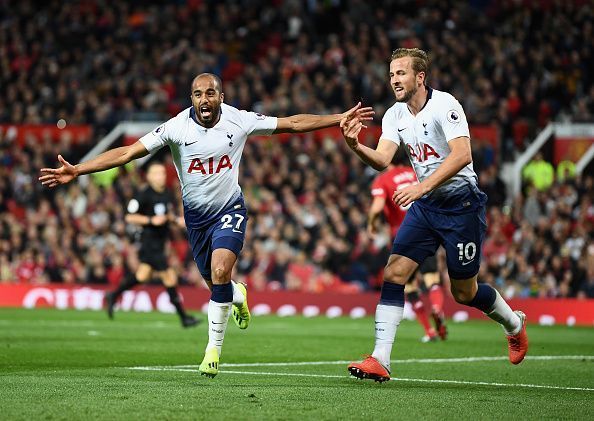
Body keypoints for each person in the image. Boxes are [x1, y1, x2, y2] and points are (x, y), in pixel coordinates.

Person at [40, 72, 373, 378]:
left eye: (210, 93)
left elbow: (293, 123)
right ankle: (237, 294)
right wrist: (78, 170)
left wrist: (337, 118)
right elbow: (128, 153)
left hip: (230, 208)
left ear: (221, 97)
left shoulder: (239, 120)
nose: (204, 99)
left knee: (218, 272)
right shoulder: (175, 127)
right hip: (196, 220)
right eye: (197, 94)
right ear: (192, 99)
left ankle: (212, 350)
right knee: (219, 284)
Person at [340, 48, 528, 382]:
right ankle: (380, 359)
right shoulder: (395, 115)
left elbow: (462, 155)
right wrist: (356, 146)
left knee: (464, 293)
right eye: (391, 74)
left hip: (462, 207)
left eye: (401, 73)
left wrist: (421, 187)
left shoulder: (445, 105)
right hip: (426, 208)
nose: (394, 80)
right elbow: (383, 159)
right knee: (395, 272)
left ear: (420, 77)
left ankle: (514, 323)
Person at [104, 162, 200, 328]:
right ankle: (183, 318)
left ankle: (113, 295)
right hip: (149, 242)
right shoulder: (143, 195)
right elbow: (129, 217)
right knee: (169, 277)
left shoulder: (167, 194)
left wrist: (176, 221)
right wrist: (150, 220)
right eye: (157, 173)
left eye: (162, 173)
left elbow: (166, 215)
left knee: (142, 276)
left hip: (160, 242)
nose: (161, 176)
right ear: (149, 177)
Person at [368, 154, 447, 343]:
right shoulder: (416, 173)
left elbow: (377, 208)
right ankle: (437, 308)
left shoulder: (382, 180)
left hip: (403, 236)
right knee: (432, 279)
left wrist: (371, 224)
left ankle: (429, 331)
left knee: (409, 286)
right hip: (427, 231)